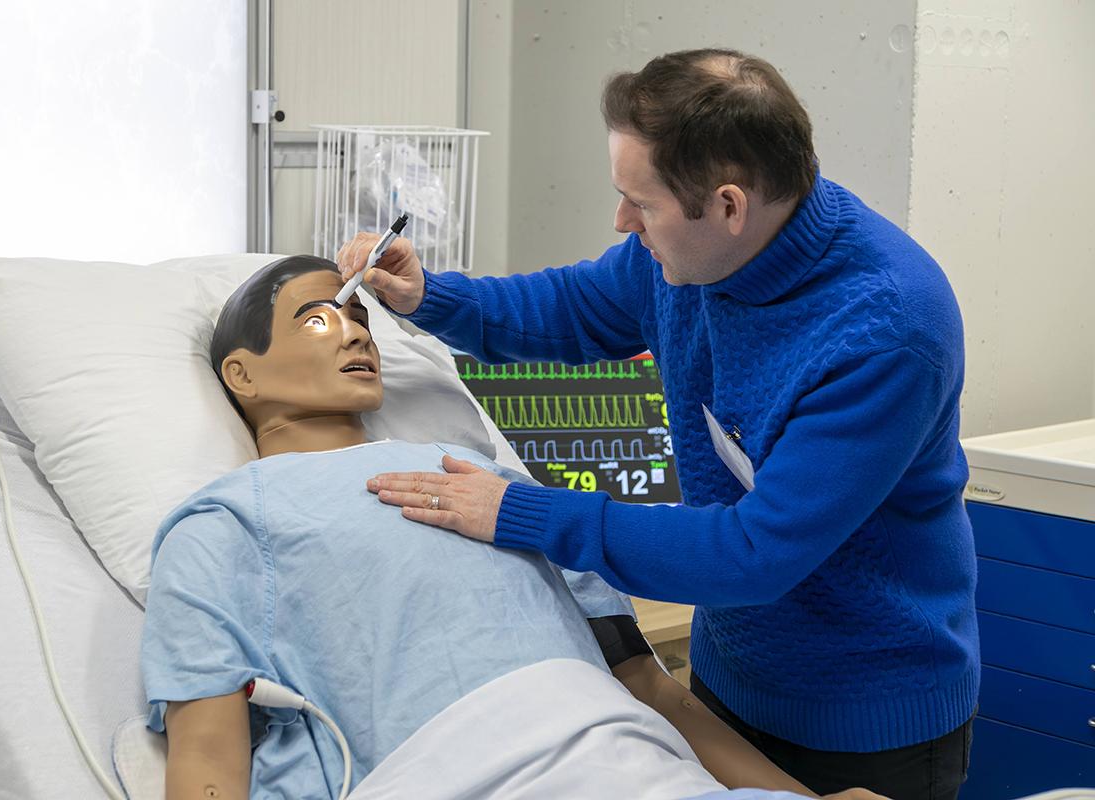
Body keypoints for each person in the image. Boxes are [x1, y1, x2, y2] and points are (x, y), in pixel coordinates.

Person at [337, 48, 978, 799]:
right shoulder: (683, 256)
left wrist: (521, 510)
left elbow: (752, 554)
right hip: (729, 681)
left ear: (730, 206)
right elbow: (571, 309)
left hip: (869, 721)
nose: (621, 221)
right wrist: (430, 298)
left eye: (640, 204)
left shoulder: (886, 330)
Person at [140, 255, 884, 800]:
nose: (355, 334)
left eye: (362, 317)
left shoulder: (496, 488)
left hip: (634, 762)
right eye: (319, 318)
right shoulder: (224, 524)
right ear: (242, 375)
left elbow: (650, 690)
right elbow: (208, 759)